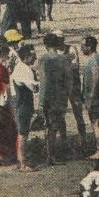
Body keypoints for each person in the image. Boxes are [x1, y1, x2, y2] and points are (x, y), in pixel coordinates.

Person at [39, 31, 71, 165]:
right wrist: (66, 95)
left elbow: (43, 81)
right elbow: (69, 80)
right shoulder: (63, 59)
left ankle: (50, 156)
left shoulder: (43, 60)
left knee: (50, 127)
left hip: (48, 96)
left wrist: (42, 100)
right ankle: (59, 151)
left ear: (45, 45)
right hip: (60, 96)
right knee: (59, 123)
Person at [10, 42, 39, 172]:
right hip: (23, 105)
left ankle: (20, 160)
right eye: (33, 55)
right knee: (23, 135)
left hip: (18, 104)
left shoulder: (19, 67)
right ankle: (22, 163)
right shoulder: (26, 70)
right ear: (27, 56)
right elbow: (34, 88)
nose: (35, 58)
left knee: (21, 134)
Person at [79, 36, 99, 159]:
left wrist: (91, 96)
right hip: (96, 94)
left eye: (83, 46)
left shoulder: (95, 60)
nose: (81, 49)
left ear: (89, 47)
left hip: (95, 95)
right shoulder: (96, 58)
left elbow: (96, 79)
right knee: (98, 122)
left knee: (96, 122)